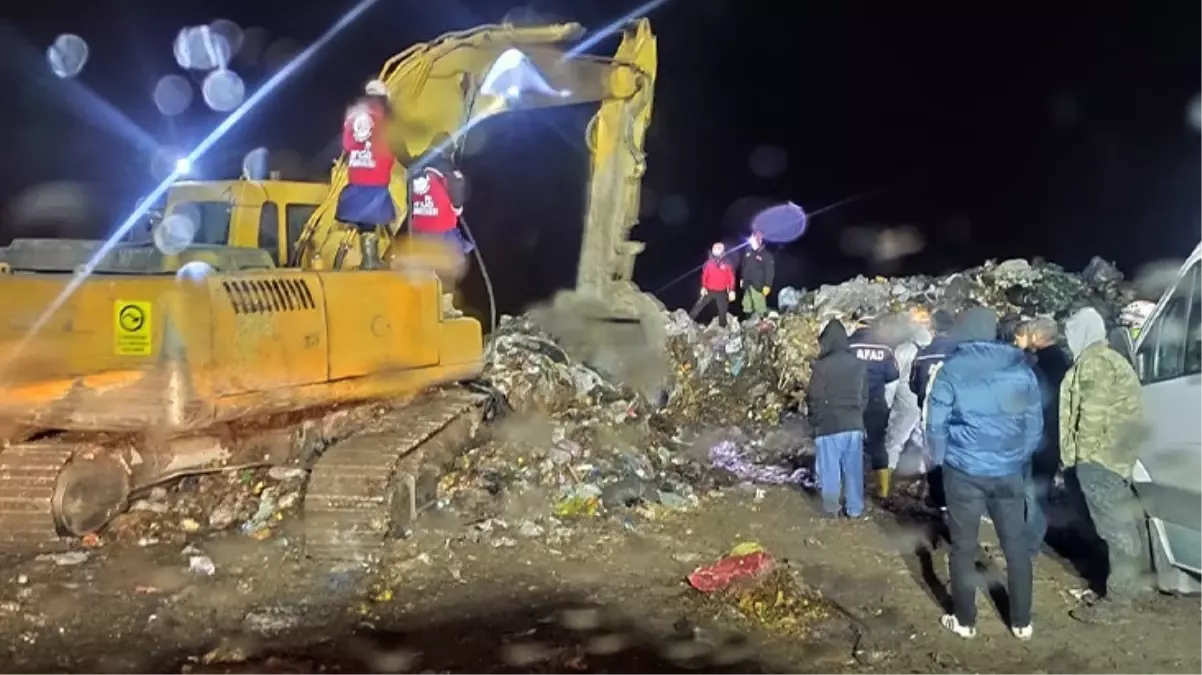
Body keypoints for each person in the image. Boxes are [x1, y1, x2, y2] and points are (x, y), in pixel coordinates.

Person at [927, 307, 1042, 641]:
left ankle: (965, 621)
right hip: (1008, 472)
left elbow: (935, 425)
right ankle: (1021, 622)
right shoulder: (1021, 370)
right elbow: (1034, 425)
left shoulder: (951, 370)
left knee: (963, 547)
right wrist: (1017, 457)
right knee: (1015, 546)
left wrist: (942, 459)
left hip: (963, 472)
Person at [1059, 307, 1147, 624]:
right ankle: (1127, 585)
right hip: (1112, 457)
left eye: (1070, 333)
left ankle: (1119, 602)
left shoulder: (1095, 363)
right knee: (1120, 527)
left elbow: (1092, 417)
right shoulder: (1109, 359)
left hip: (1099, 460)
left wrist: (1084, 459)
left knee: (1115, 530)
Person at [1014, 317, 1073, 557]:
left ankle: (1028, 546)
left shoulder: (1041, 363)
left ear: (1038, 336)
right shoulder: (1064, 361)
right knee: (1035, 490)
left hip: (1041, 437)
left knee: (1034, 492)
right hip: (1052, 435)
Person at [807, 321, 869, 518]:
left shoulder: (822, 366)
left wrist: (816, 419)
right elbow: (865, 396)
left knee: (830, 469)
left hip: (829, 424)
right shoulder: (858, 364)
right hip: (853, 425)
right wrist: (857, 414)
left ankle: (832, 508)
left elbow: (814, 396)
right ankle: (855, 509)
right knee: (853, 469)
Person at [335, 79, 397, 270]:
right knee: (375, 217)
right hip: (377, 175)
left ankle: (369, 258)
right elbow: (393, 142)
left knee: (366, 221)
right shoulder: (385, 117)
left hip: (357, 175)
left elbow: (346, 145)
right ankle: (370, 259)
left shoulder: (354, 115)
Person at [848, 317, 900, 499]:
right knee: (878, 445)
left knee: (852, 445)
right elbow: (893, 379)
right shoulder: (884, 348)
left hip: (851, 404)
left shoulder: (847, 346)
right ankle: (883, 491)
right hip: (876, 402)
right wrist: (885, 403)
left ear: (857, 325)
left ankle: (853, 489)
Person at [911, 309, 957, 509]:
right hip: (958, 415)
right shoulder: (962, 351)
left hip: (931, 415)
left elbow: (914, 385)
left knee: (933, 456)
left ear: (934, 328)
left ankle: (938, 499)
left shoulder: (924, 353)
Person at [409, 133, 471, 256]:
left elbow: (410, 198)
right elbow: (457, 189)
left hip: (419, 229)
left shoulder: (417, 167)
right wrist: (457, 208)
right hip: (441, 229)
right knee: (460, 253)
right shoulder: (449, 168)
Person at [689, 243, 736, 328]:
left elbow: (731, 278)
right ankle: (688, 320)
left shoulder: (728, 263)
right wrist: (703, 287)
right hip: (709, 290)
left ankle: (722, 328)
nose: (716, 250)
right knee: (698, 305)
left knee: (722, 311)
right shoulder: (708, 263)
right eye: (715, 249)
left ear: (722, 251)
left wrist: (731, 290)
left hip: (722, 291)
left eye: (718, 249)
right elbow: (704, 276)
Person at [739, 232, 775, 318]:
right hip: (747, 283)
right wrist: (741, 278)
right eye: (751, 240)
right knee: (746, 303)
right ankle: (748, 320)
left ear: (759, 240)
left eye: (754, 240)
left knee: (759, 304)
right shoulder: (748, 251)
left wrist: (768, 285)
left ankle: (761, 321)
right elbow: (743, 265)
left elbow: (770, 271)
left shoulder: (766, 254)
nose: (751, 242)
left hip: (758, 284)